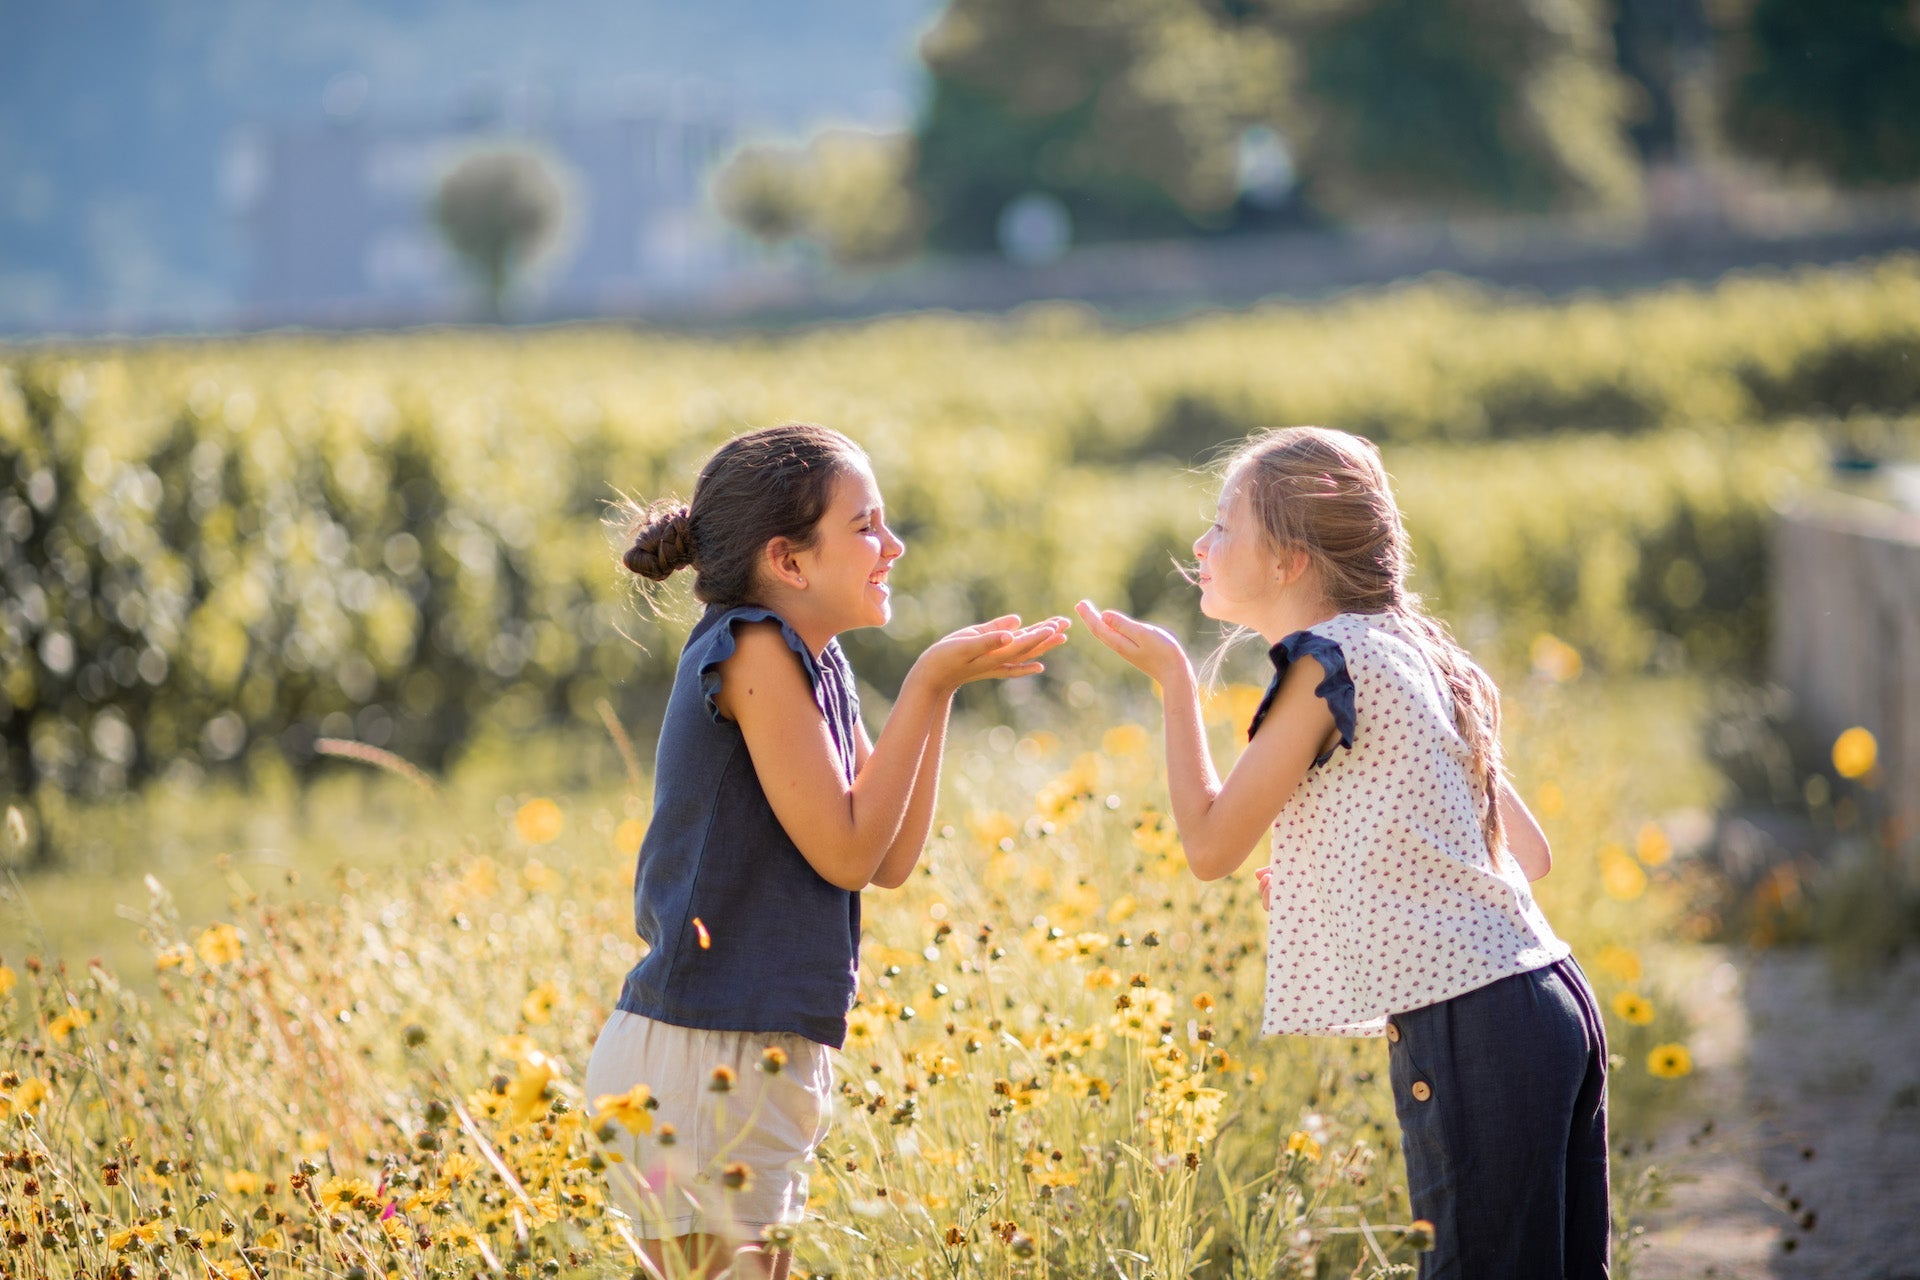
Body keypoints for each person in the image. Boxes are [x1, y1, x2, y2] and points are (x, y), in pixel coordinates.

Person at [1075, 426, 1607, 1279]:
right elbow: (1527, 855)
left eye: (1224, 527)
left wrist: (1175, 681)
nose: (1202, 546)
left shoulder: (1328, 665)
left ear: (1289, 562)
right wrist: (1344, 874)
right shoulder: (1414, 650)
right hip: (1549, 1004)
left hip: (1474, 1030)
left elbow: (1211, 846)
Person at [586, 423, 1069, 1279]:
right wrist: (926, 680)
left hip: (735, 1052)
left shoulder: (817, 658)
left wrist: (943, 694)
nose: (893, 545)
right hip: (704, 1057)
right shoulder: (754, 650)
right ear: (790, 561)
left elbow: (886, 856)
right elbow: (848, 854)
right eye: (865, 526)